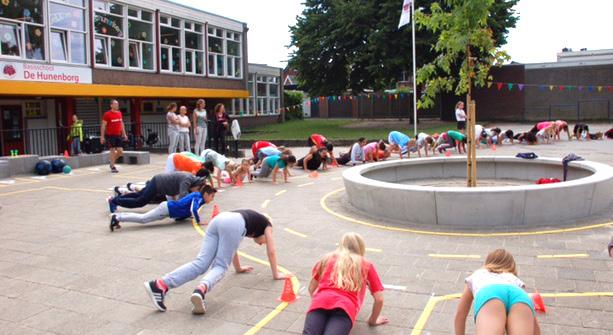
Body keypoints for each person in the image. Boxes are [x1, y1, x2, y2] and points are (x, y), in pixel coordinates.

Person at [143, 209, 288, 313]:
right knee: (220, 266)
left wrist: (238, 268)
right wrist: (276, 274)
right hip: (232, 223)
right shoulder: (267, 224)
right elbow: (272, 251)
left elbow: (232, 248)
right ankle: (200, 290)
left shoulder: (251, 219)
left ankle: (159, 285)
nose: (263, 243)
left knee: (200, 263)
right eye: (264, 241)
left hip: (219, 219)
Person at [303, 233, 388, 335]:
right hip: (345, 307)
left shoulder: (326, 259)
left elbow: (312, 288)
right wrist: (372, 320)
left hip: (321, 301)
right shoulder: (365, 264)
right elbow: (379, 299)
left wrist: (320, 302)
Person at [454, 249, 540, 335]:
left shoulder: (478, 274)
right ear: (512, 266)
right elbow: (534, 325)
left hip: (490, 293)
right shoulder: (514, 279)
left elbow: (460, 315)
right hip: (518, 294)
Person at [109, 185, 217, 231]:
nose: (212, 199)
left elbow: (187, 209)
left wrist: (183, 217)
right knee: (143, 219)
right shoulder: (197, 197)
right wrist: (198, 221)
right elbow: (193, 209)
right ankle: (117, 218)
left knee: (143, 218)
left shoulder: (198, 197)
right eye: (212, 196)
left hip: (167, 209)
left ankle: (118, 217)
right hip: (166, 209)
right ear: (206, 194)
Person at [107, 171, 210, 213]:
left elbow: (175, 191)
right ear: (197, 185)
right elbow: (183, 197)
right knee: (141, 201)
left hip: (158, 182)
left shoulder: (189, 180)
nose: (195, 192)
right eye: (197, 190)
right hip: (158, 183)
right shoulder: (188, 180)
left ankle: (115, 200)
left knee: (140, 195)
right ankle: (114, 201)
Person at [101, 99, 127, 173]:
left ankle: (111, 161)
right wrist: (102, 137)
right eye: (115, 104)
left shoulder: (119, 113)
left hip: (118, 135)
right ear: (111, 105)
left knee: (120, 151)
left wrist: (124, 134)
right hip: (110, 136)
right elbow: (103, 126)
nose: (117, 105)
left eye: (117, 104)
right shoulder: (107, 114)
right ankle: (112, 166)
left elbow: (121, 124)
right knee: (112, 150)